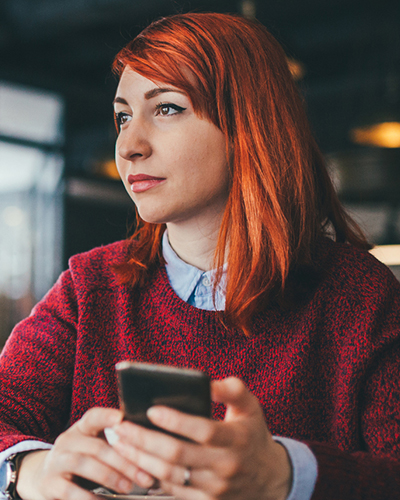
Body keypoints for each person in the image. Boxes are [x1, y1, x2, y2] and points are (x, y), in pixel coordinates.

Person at [1, 11, 400, 500]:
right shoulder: (90, 288)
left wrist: (285, 475)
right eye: (123, 116)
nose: (128, 144)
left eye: (166, 108)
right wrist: (32, 471)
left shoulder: (361, 296)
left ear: (249, 124)